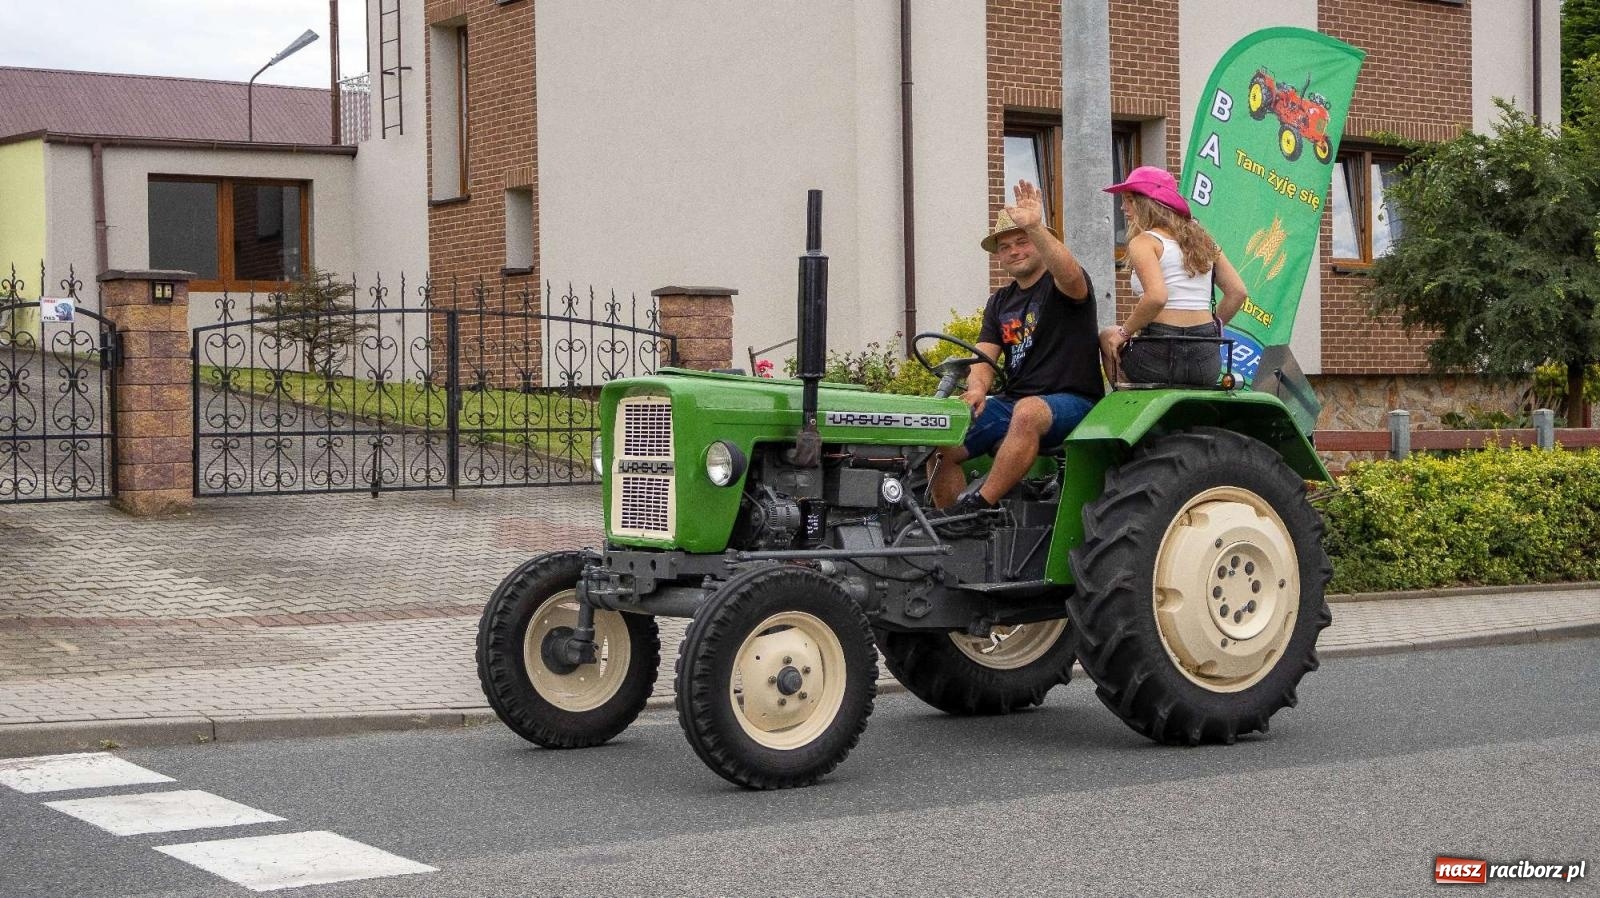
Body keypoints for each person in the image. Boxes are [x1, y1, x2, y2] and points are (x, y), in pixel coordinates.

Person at [929, 179, 1103, 529]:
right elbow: (984, 355)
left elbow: (1068, 274)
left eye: (1021, 241)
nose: (1014, 250)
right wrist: (977, 388)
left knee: (1027, 411)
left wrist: (1034, 226)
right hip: (1015, 402)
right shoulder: (1000, 302)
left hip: (1073, 402)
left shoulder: (1062, 286)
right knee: (939, 435)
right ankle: (949, 526)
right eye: (1005, 246)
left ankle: (978, 509)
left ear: (1040, 243)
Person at [1098, 166, 1247, 386]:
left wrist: (1124, 332)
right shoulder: (1204, 240)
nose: (1122, 207)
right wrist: (1211, 331)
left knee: (1106, 335)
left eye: (1129, 200)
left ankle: (1129, 402)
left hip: (1158, 357)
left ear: (1147, 203)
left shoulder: (1145, 241)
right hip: (1205, 363)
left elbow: (1157, 296)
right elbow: (1238, 292)